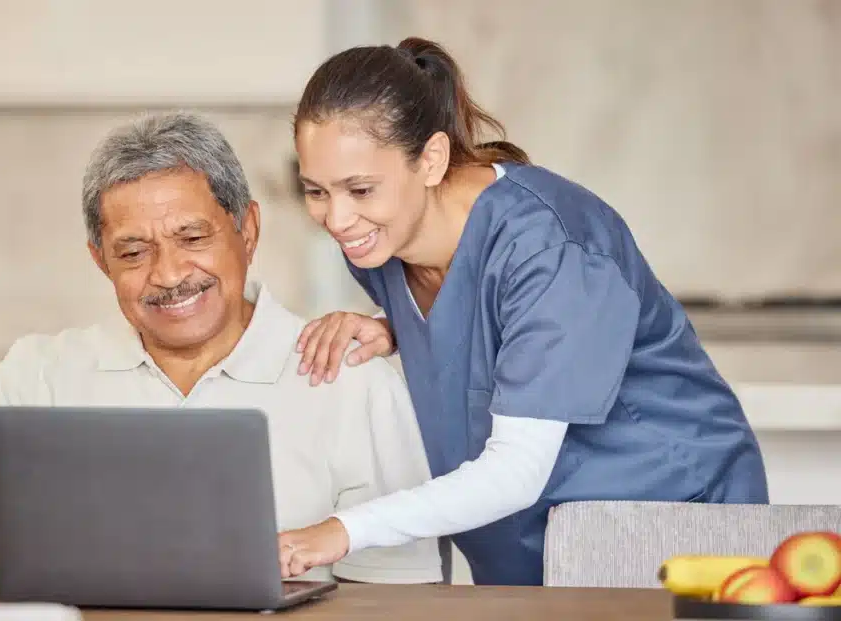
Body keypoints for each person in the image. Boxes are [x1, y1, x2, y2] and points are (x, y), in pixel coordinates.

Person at [276, 37, 770, 586]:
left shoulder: (551, 245)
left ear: (432, 160)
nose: (337, 219)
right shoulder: (381, 246)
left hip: (664, 524)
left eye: (360, 189)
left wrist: (340, 531)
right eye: (316, 191)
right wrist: (392, 330)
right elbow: (479, 325)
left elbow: (515, 470)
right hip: (525, 549)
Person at [0, 112, 443, 603]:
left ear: (248, 231)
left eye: (192, 237)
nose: (168, 275)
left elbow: (395, 598)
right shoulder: (37, 373)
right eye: (133, 253)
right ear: (100, 261)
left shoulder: (350, 379)